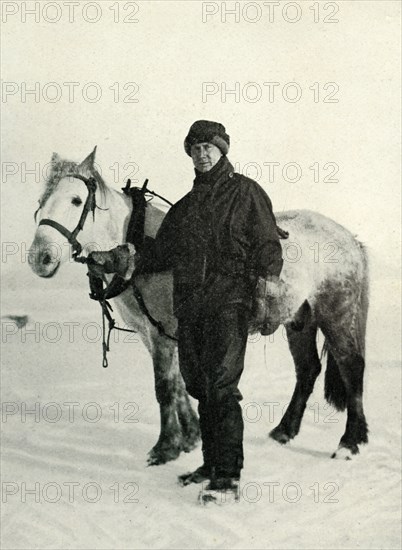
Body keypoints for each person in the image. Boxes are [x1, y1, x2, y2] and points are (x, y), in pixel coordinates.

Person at [89, 120, 283, 495]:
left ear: (222, 150)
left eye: (209, 147)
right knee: (198, 385)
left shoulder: (246, 193)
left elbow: (267, 243)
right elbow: (158, 254)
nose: (202, 154)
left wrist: (268, 286)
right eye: (195, 149)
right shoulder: (186, 207)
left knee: (222, 387)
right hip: (191, 308)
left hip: (230, 302)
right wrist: (116, 258)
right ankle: (211, 463)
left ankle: (227, 477)